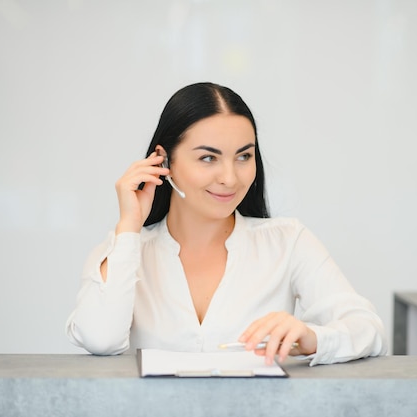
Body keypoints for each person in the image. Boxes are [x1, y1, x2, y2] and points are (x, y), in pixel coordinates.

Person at [65, 82, 388, 366]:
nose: (230, 178)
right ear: (164, 161)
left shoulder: (287, 241)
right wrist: (129, 226)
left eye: (244, 156)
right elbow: (100, 339)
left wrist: (310, 337)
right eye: (208, 158)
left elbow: (368, 330)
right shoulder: (125, 250)